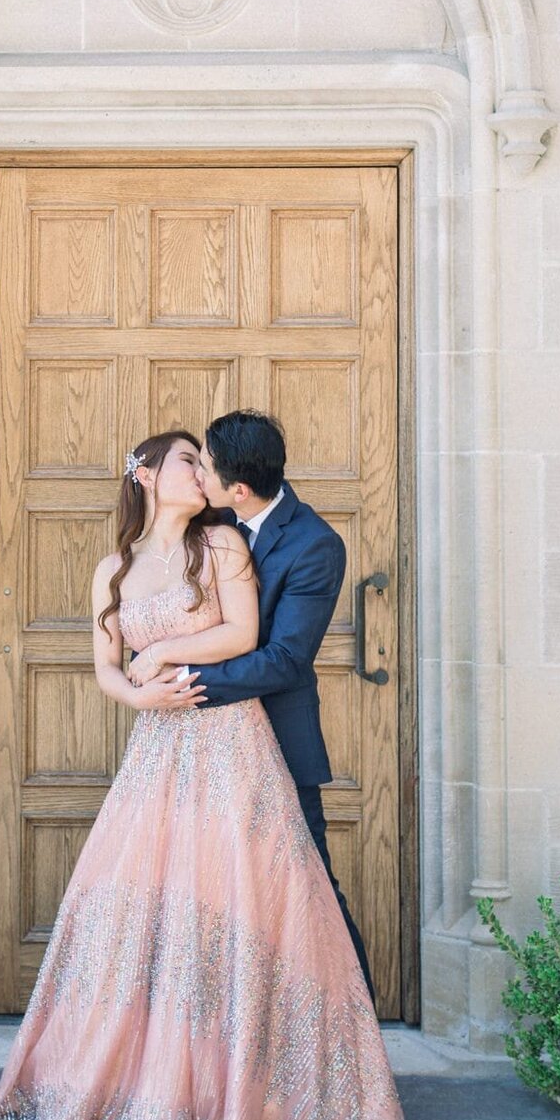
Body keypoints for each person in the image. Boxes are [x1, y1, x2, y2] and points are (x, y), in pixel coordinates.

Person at [0, 427, 405, 1120]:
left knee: (247, 898)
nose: (202, 471)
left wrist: (162, 652)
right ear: (144, 474)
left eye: (206, 462)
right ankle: (155, 1078)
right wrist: (135, 699)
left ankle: (263, 1082)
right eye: (187, 461)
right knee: (150, 903)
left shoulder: (223, 546)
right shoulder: (112, 568)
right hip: (156, 751)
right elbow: (105, 667)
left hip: (233, 745)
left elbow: (245, 633)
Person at [154, 407, 377, 1001]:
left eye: (204, 466)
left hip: (277, 740)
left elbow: (284, 660)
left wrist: (184, 677)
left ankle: (356, 1038)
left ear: (240, 488)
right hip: (204, 751)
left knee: (310, 890)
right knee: (213, 894)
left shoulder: (314, 546)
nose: (197, 474)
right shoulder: (210, 521)